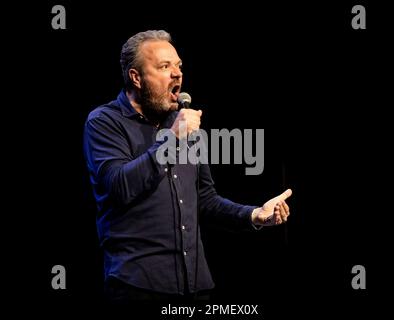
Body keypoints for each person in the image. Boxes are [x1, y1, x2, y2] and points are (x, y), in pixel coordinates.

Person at [83, 30, 292, 301]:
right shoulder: (104, 122)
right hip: (137, 287)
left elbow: (205, 199)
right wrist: (173, 138)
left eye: (178, 66)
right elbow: (120, 186)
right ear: (136, 77)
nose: (177, 74)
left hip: (196, 286)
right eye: (164, 66)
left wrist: (253, 215)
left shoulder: (182, 126)